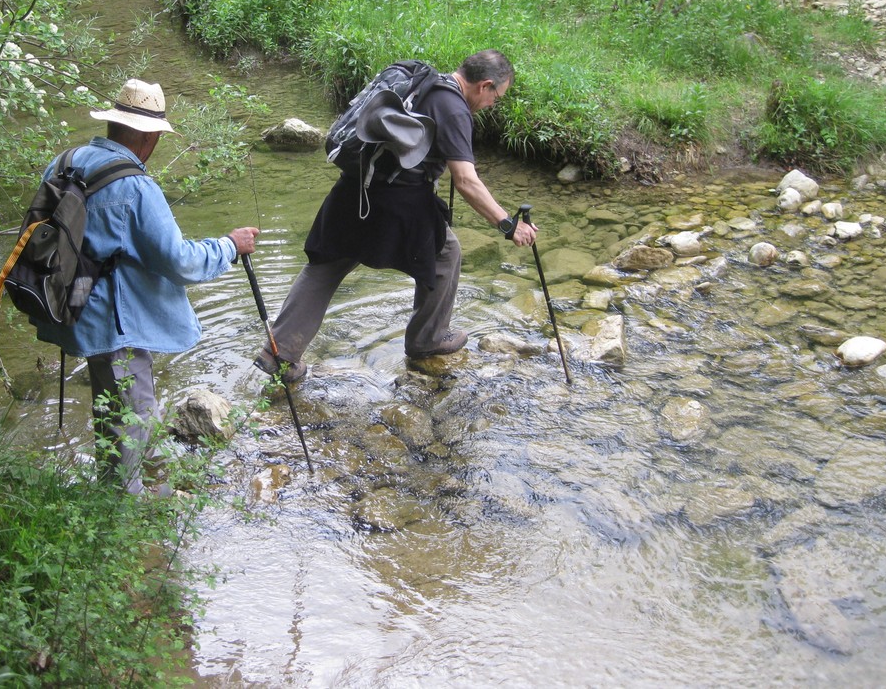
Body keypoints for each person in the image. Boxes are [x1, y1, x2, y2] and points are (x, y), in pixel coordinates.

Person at [254, 49, 536, 382]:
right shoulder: (453, 108)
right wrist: (507, 224)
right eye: (495, 98)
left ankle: (279, 353)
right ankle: (427, 340)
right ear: (485, 85)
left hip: (354, 188)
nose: (491, 105)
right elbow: (466, 181)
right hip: (399, 201)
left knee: (326, 265)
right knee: (445, 255)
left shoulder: (422, 84)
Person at [35, 77, 259, 494]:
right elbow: (179, 262)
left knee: (124, 406)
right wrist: (229, 246)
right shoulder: (135, 186)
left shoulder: (65, 162)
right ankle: (127, 511)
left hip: (70, 303)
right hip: (114, 323)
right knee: (129, 417)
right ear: (148, 136)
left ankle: (158, 483)